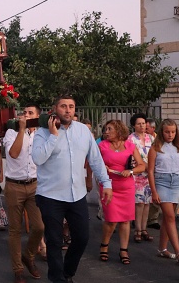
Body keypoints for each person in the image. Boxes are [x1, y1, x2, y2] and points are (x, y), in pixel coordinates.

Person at [32, 95, 112, 283]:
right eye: (63, 106)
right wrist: (53, 136)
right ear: (54, 109)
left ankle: (67, 272)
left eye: (71, 106)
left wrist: (106, 183)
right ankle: (57, 279)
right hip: (50, 195)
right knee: (54, 241)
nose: (68, 110)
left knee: (82, 237)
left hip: (76, 195)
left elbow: (95, 159)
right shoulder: (42, 133)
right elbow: (38, 159)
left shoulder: (83, 131)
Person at [3, 104, 45, 282]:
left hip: (35, 185)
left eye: (30, 113)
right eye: (24, 113)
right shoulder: (11, 131)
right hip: (14, 186)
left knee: (39, 227)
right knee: (15, 229)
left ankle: (28, 256)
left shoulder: (41, 134)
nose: (26, 116)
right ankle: (18, 269)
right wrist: (22, 130)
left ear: (37, 116)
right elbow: (13, 153)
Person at [97, 120, 145, 265]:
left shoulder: (130, 146)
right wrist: (102, 166)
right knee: (111, 220)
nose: (106, 132)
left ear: (118, 130)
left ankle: (124, 249)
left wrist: (130, 171)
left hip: (127, 187)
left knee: (125, 220)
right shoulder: (102, 145)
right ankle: (104, 245)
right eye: (105, 129)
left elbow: (142, 166)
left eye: (109, 129)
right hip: (109, 186)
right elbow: (92, 161)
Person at [147, 119, 179, 262]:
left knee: (169, 218)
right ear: (161, 131)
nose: (170, 135)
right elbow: (150, 171)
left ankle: (162, 248)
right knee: (170, 217)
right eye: (167, 131)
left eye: (173, 132)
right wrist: (154, 191)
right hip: (162, 182)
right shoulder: (155, 148)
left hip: (176, 182)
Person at [128, 113, 155, 243]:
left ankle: (144, 229)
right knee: (139, 203)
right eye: (139, 123)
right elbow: (131, 157)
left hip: (149, 174)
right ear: (134, 125)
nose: (142, 126)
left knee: (147, 203)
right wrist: (143, 165)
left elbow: (155, 154)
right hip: (138, 174)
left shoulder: (151, 138)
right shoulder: (130, 139)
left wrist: (151, 167)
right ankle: (137, 230)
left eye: (143, 123)